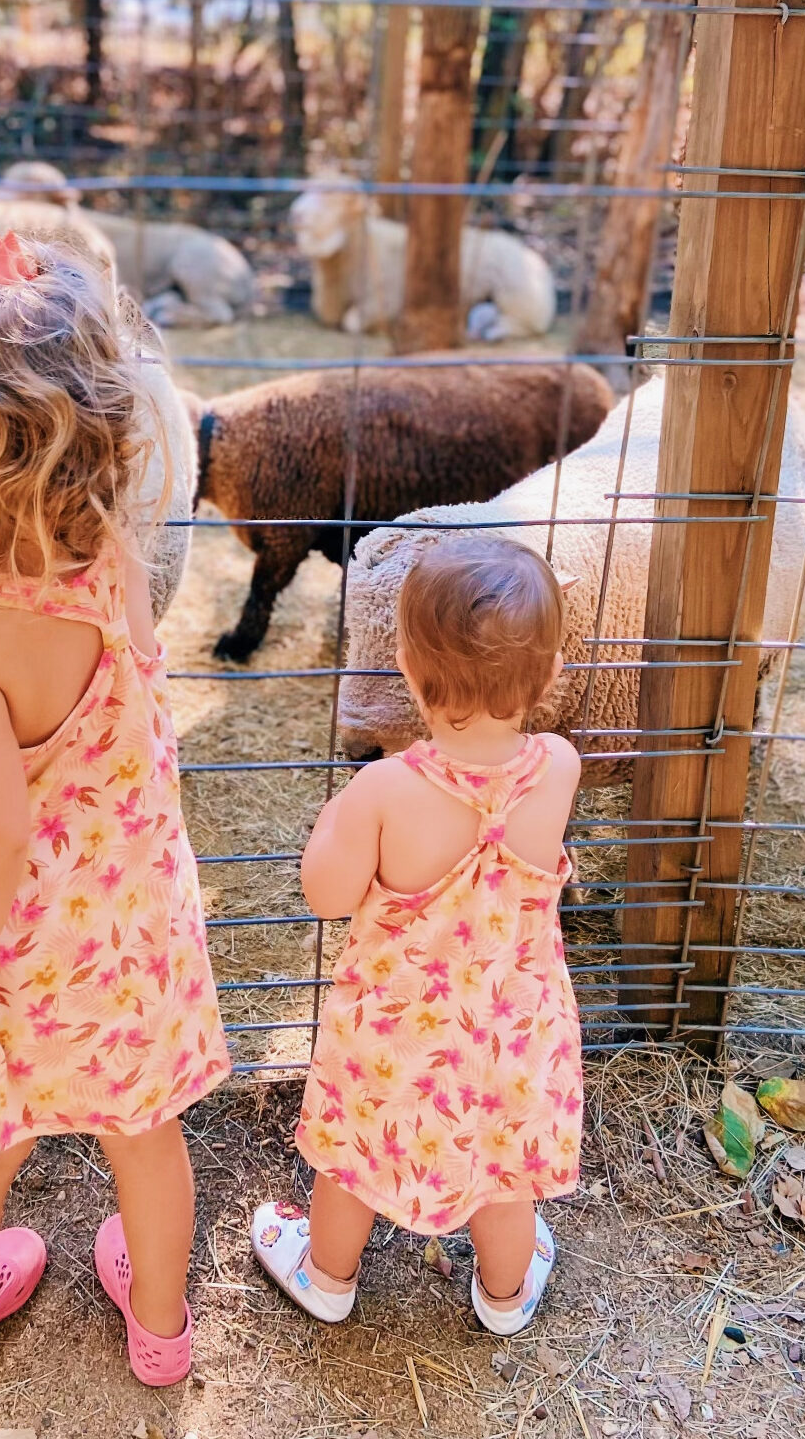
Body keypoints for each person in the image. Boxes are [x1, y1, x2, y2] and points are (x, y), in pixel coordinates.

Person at [0, 232, 229, 1390]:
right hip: (131, 937)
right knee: (147, 1140)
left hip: (17, 963)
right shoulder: (121, 568)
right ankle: (162, 1324)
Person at [251, 537, 583, 1334]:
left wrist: (340, 820)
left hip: (396, 1031)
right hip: (514, 1024)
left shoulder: (385, 789)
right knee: (505, 1169)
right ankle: (505, 1297)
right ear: (549, 674)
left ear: (404, 663)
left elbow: (326, 895)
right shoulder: (559, 767)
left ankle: (327, 1276)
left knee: (353, 1155)